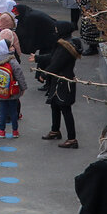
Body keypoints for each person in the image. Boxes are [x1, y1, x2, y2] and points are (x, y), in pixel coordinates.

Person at [39, 20, 83, 148]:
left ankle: (72, 139)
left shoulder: (64, 47)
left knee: (65, 109)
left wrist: (44, 74)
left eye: (57, 29)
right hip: (64, 80)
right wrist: (37, 59)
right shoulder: (71, 43)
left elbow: (56, 63)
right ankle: (55, 130)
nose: (55, 31)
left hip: (62, 81)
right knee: (55, 105)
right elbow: (54, 58)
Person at [0, 38, 27, 138]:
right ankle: (15, 131)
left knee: (2, 111)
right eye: (10, 46)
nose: (12, 48)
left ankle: (1, 131)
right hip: (12, 90)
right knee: (13, 111)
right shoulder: (12, 60)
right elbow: (19, 75)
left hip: (0, 90)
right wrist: (23, 88)